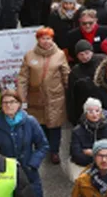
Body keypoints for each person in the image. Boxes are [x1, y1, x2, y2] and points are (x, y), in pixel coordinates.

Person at [0, 91, 49, 197]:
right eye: (5, 103)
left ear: (19, 104)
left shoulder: (30, 122)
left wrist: (33, 164)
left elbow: (43, 145)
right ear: (0, 105)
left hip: (28, 172)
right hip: (5, 175)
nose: (9, 105)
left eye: (12, 102)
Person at [17, 27, 69, 165]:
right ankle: (43, 148)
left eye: (48, 38)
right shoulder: (29, 55)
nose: (46, 41)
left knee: (55, 125)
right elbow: (23, 77)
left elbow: (66, 74)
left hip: (55, 97)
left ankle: (55, 151)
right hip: (36, 96)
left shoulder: (59, 55)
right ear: (38, 40)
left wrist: (69, 93)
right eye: (43, 38)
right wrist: (21, 97)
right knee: (41, 125)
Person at [72, 97, 107, 167]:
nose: (94, 114)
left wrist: (93, 153)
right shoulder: (77, 131)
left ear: (101, 112)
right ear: (85, 113)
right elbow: (76, 154)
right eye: (90, 111)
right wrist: (102, 156)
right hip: (84, 165)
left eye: (97, 111)